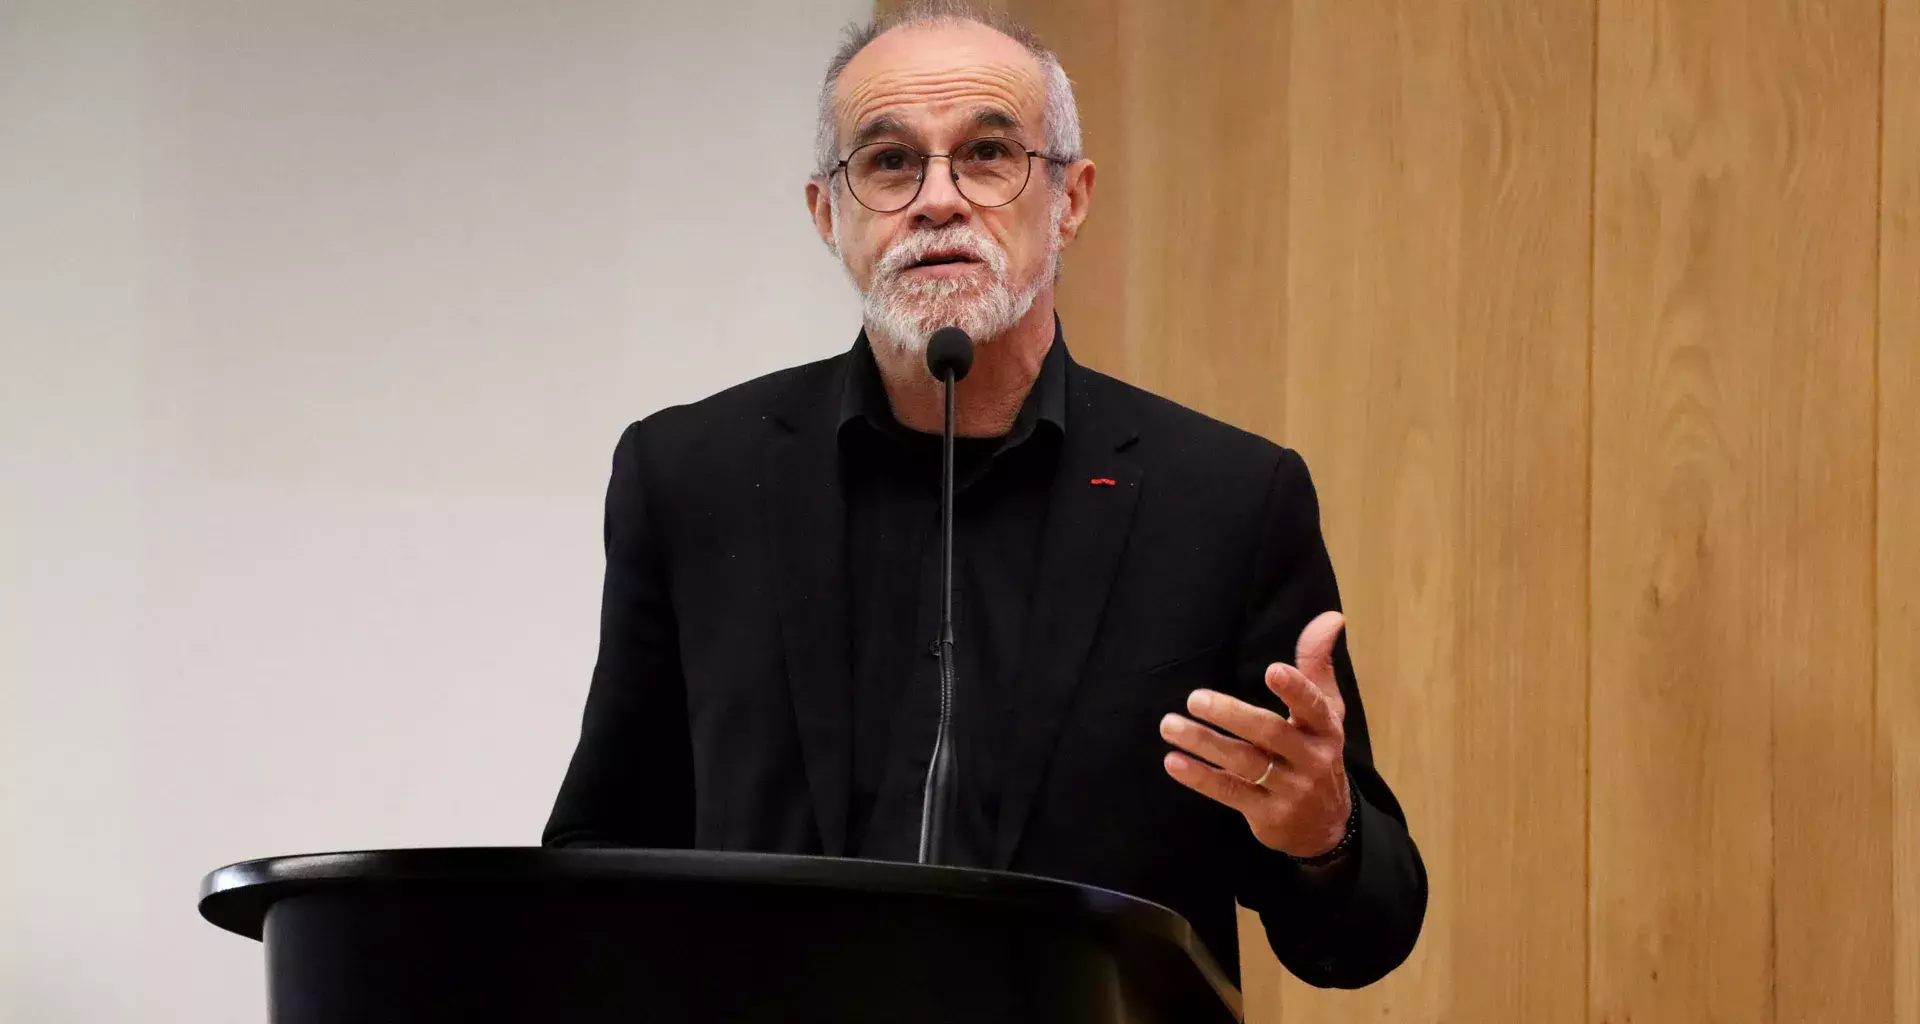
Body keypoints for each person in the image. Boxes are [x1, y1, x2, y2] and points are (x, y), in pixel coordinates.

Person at [544, 1, 1426, 989]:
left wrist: (1323, 831)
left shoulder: (1225, 501)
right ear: (825, 214)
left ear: (1072, 199)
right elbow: (594, 853)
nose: (937, 200)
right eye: (889, 163)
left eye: (988, 155)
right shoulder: (690, 479)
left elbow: (1367, 932)